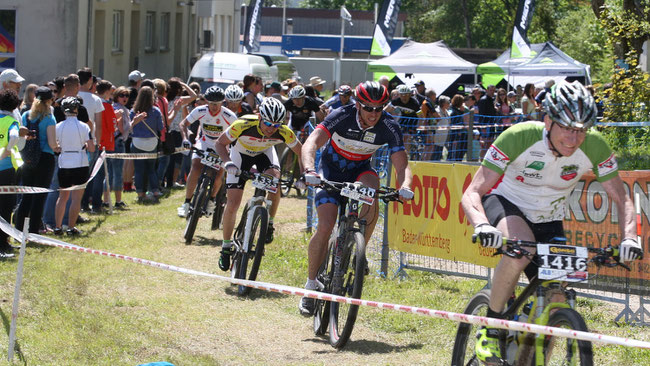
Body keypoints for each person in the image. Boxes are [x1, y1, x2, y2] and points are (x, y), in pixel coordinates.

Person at [460, 81, 643, 364]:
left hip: (550, 218)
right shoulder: (519, 137)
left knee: (557, 298)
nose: (573, 138)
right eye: (567, 128)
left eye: (581, 130)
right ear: (548, 120)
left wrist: (630, 238)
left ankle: (527, 352)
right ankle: (491, 328)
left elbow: (622, 198)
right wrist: (482, 225)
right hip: (507, 203)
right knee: (522, 253)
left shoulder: (594, 146)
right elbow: (473, 191)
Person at [298, 81, 414, 316]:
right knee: (326, 226)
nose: (374, 114)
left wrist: (405, 186)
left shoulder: (389, 126)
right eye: (368, 108)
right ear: (358, 105)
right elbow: (311, 142)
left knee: (372, 192)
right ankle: (311, 285)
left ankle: (358, 252)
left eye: (379, 108)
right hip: (330, 171)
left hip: (361, 171)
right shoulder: (342, 115)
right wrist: (309, 170)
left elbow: (402, 163)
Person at [215, 98, 303, 271]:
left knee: (275, 182)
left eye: (276, 125)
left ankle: (269, 222)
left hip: (264, 155)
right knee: (233, 203)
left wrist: (305, 174)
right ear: (260, 117)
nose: (271, 129)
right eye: (268, 123)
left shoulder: (284, 131)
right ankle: (226, 248)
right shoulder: (243, 124)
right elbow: (220, 143)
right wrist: (227, 163)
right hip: (240, 155)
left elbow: (302, 152)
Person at [177, 86, 237, 218]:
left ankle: (211, 200)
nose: (214, 107)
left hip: (221, 145)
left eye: (217, 104)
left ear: (222, 102)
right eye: (211, 103)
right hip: (204, 142)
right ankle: (186, 202)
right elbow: (183, 124)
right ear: (206, 102)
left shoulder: (229, 116)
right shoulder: (200, 110)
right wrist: (185, 139)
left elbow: (239, 133)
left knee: (219, 174)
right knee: (195, 168)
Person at [14, 87, 59, 234]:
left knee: (26, 194)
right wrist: (58, 147)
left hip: (27, 158)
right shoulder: (49, 118)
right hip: (45, 159)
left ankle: (19, 229)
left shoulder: (26, 115)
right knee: (39, 196)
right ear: (49, 101)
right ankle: (33, 230)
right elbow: (52, 143)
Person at [54, 97, 95, 236]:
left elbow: (56, 145)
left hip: (64, 162)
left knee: (62, 197)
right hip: (80, 162)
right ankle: (71, 227)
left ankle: (58, 227)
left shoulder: (58, 126)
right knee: (76, 198)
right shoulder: (84, 126)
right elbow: (91, 148)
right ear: (76, 109)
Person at [0, 89, 30, 257]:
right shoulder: (12, 121)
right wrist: (7, 150)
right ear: (14, 107)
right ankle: (2, 245)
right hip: (6, 169)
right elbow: (13, 137)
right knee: (5, 208)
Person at [129, 86, 163, 203]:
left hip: (137, 142)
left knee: (138, 170)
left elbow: (129, 127)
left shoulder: (133, 112)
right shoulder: (156, 111)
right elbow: (160, 127)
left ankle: (140, 193)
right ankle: (155, 190)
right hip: (151, 142)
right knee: (151, 169)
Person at [111, 86, 132, 208]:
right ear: (116, 96)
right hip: (118, 142)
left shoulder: (116, 108)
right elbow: (123, 129)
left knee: (110, 173)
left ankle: (107, 200)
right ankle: (118, 201)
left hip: (112, 142)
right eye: (122, 95)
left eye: (127, 95)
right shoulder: (121, 110)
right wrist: (135, 122)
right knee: (117, 173)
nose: (124, 98)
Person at [447, 94, 468, 161]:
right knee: (454, 153)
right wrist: (458, 133)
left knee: (455, 152)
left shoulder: (455, 110)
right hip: (456, 136)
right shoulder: (454, 112)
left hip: (456, 135)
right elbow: (454, 125)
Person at [432, 95, 450, 161]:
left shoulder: (447, 112)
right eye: (448, 103)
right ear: (443, 103)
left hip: (444, 138)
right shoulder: (437, 112)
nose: (449, 104)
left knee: (439, 156)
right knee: (434, 156)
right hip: (436, 138)